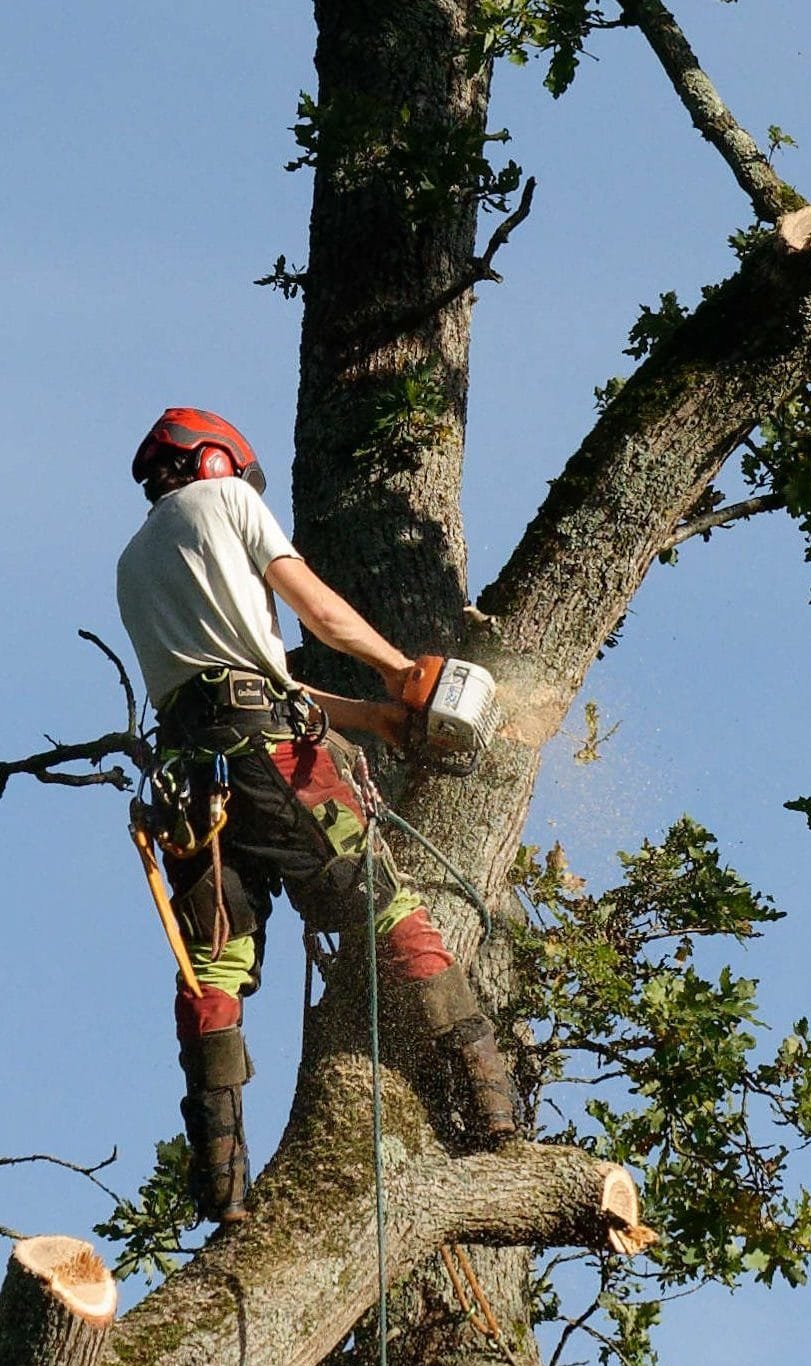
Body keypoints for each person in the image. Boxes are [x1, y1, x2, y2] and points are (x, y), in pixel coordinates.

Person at [117, 407, 516, 1224]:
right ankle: (491, 1099)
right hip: (270, 757)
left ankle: (221, 1181)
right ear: (216, 461)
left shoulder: (134, 561)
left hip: (196, 779)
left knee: (215, 963)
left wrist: (375, 718)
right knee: (388, 901)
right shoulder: (226, 502)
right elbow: (321, 614)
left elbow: (241, 681)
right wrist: (404, 671)